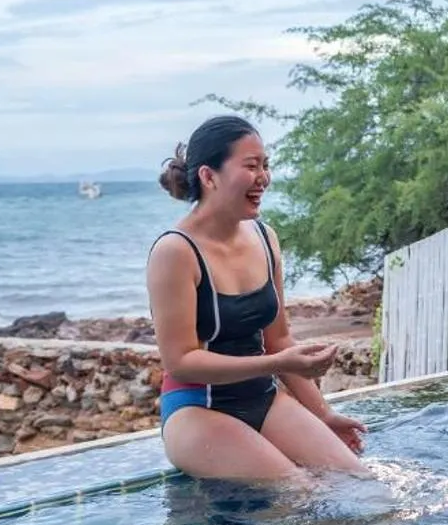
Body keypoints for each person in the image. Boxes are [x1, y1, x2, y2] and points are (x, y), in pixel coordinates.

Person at [148, 114, 372, 485]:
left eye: (266, 165)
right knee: (299, 494)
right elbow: (181, 361)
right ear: (209, 176)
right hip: (197, 410)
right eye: (251, 166)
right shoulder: (175, 251)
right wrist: (277, 362)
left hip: (262, 399)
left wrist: (324, 415)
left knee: (363, 485)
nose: (263, 177)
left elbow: (278, 338)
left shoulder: (265, 238)